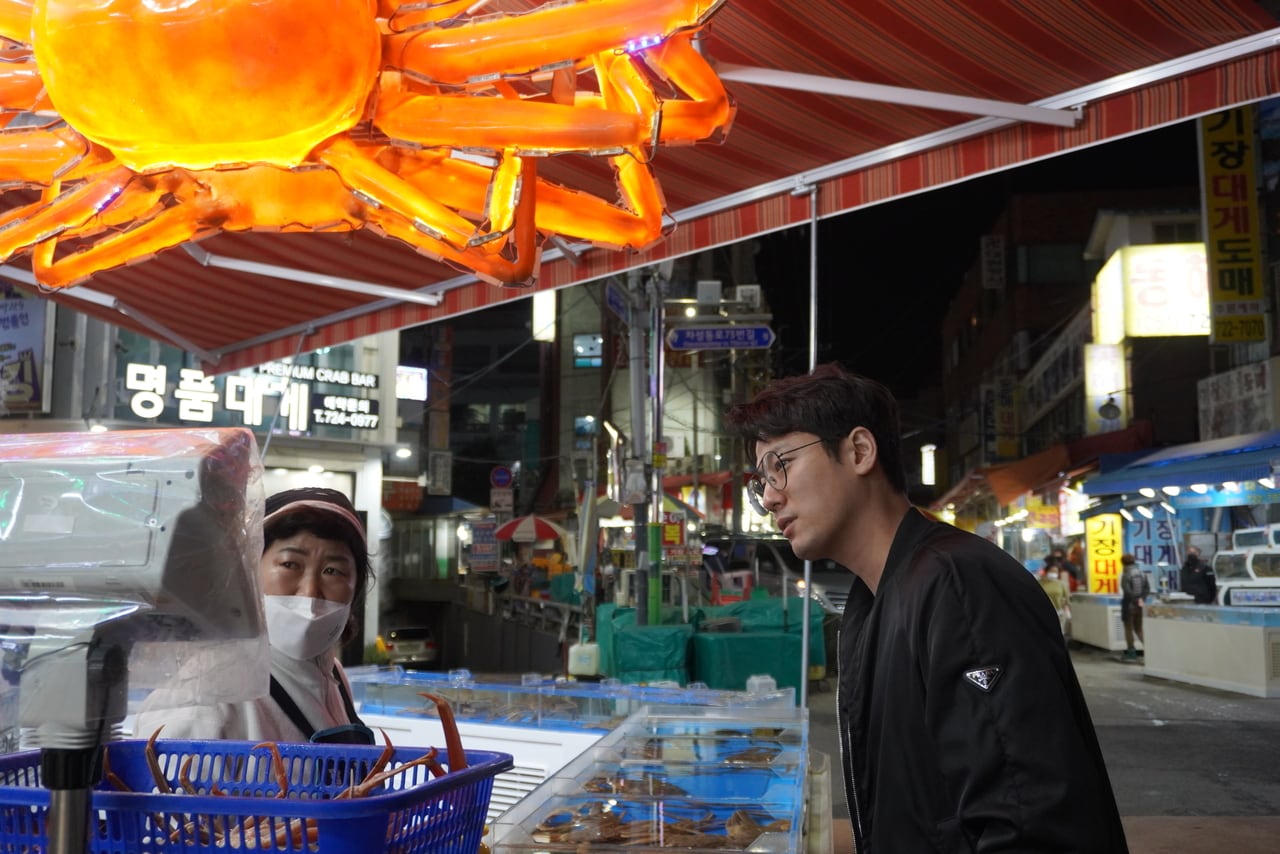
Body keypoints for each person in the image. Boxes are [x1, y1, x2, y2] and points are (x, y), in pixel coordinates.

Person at [725, 362, 1127, 852]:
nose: (768, 496)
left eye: (780, 465)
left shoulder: (958, 584)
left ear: (859, 451)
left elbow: (1028, 823)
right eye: (760, 478)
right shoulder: (875, 599)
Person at [135, 487, 374, 743]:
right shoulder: (205, 697)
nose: (309, 591)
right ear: (249, 571)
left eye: (333, 571)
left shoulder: (332, 674)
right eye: (290, 564)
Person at [1121, 553, 1151, 661]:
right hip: (1140, 605)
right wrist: (1141, 599)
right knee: (1139, 628)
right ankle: (1149, 650)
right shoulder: (1142, 573)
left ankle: (1131, 651)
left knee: (1128, 628)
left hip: (1129, 605)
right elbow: (1147, 588)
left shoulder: (1126, 574)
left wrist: (1134, 600)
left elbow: (1127, 590)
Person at [1039, 556, 1072, 637]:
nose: (1054, 573)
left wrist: (1068, 612)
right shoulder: (1039, 583)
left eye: (1056, 572)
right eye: (1052, 571)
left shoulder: (1061, 584)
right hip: (1043, 614)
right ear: (1046, 571)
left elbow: (1067, 599)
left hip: (1059, 614)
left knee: (1058, 635)